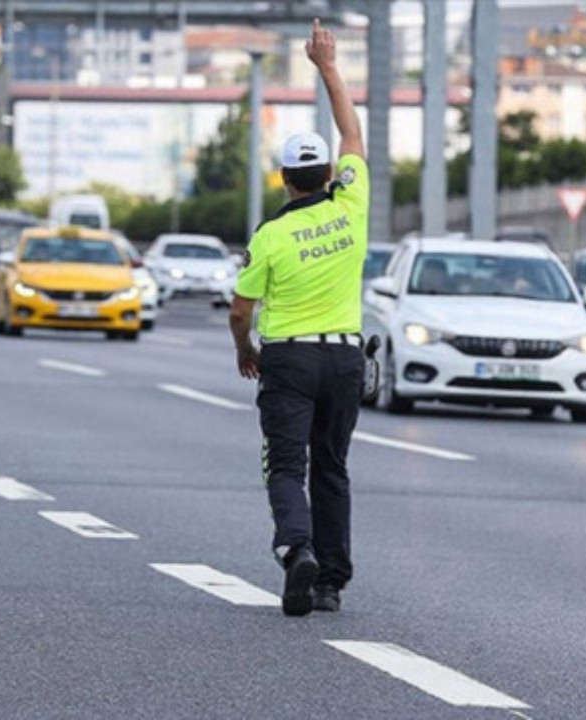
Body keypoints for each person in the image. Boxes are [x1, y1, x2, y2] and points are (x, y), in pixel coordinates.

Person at [229, 19, 368, 618]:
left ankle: (297, 548)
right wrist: (328, 66)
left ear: (285, 180)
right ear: (327, 174)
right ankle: (331, 582)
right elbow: (353, 132)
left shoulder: (273, 235)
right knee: (331, 467)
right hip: (344, 357)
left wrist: (244, 347)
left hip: (288, 358)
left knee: (287, 464)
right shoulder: (353, 203)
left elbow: (241, 309)